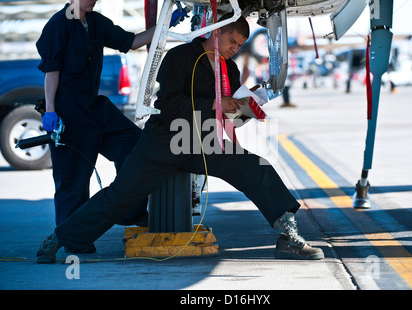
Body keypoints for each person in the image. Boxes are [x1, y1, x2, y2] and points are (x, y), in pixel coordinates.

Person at [36, 14, 324, 263]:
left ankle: (288, 235)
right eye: (231, 42)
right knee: (120, 196)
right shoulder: (179, 57)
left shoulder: (230, 69)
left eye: (239, 46)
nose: (235, 50)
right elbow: (169, 104)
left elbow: (228, 113)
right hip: (163, 141)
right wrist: (214, 103)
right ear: (216, 32)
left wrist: (247, 105)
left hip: (203, 141)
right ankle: (58, 239)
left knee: (256, 167)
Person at [36, 0, 187, 234]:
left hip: (95, 108)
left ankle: (131, 211)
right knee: (72, 180)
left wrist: (165, 25)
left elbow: (133, 41)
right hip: (69, 114)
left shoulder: (96, 23)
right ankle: (72, 235)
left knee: (136, 147)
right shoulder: (57, 26)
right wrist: (51, 111)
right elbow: (51, 72)